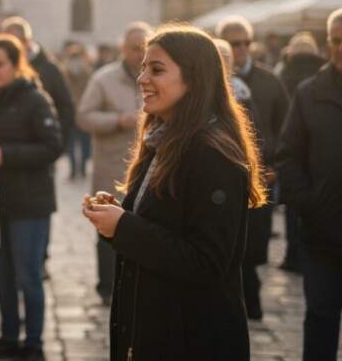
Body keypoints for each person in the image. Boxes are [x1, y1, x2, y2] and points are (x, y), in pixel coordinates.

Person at [82, 25, 265, 360]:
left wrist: (124, 226)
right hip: (155, 330)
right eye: (142, 69)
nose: (142, 79)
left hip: (191, 338)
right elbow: (163, 228)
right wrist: (118, 219)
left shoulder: (211, 154)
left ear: (193, 79)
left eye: (157, 70)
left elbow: (207, 262)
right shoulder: (162, 141)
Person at [0, 35, 63, 361]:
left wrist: (6, 155)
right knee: (1, 273)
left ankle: (33, 341)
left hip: (30, 203)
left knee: (27, 275)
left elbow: (52, 147)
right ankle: (8, 335)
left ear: (15, 65)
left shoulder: (35, 100)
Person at [275, 8, 342, 361]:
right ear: (327, 44)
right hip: (322, 234)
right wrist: (309, 203)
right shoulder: (309, 92)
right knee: (320, 318)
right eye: (336, 41)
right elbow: (288, 156)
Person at [76, 21, 153, 305]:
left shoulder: (156, 78)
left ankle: (135, 283)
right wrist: (116, 121)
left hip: (145, 170)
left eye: (144, 49)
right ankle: (107, 286)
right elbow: (84, 116)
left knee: (140, 225)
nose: (139, 54)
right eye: (135, 49)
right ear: (123, 48)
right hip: (111, 165)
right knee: (106, 225)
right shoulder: (103, 79)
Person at [217, 15, 289, 320]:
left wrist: (277, 164)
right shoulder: (213, 81)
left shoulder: (269, 80)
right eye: (236, 43)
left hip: (261, 176)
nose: (243, 48)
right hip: (222, 179)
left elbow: (285, 126)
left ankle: (250, 301)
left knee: (255, 242)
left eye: (247, 42)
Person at [0, 16, 75, 145]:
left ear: (26, 41)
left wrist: (56, 144)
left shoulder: (50, 70)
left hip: (40, 151)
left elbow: (65, 109)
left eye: (12, 42)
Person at [60, 41, 94, 179]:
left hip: (83, 114)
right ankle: (74, 170)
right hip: (70, 114)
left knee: (84, 143)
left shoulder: (87, 73)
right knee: (71, 145)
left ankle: (83, 168)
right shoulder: (64, 73)